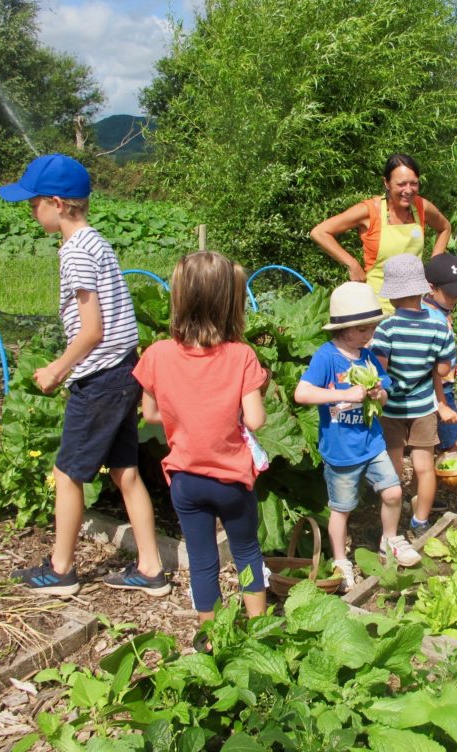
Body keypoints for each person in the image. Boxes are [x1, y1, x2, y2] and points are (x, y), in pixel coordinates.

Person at [0, 154, 169, 597]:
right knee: (125, 472)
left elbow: (91, 329)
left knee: (68, 472)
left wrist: (58, 367)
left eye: (34, 202)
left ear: (57, 203)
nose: (30, 210)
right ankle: (150, 568)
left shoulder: (75, 253)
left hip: (101, 380)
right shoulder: (97, 242)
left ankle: (60, 571)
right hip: (124, 370)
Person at [133, 251, 268, 638]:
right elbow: (255, 419)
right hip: (230, 479)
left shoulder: (157, 354)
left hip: (186, 479)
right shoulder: (241, 356)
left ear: (179, 298)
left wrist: (188, 413)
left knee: (203, 560)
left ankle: (210, 640)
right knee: (246, 552)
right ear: (230, 301)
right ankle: (259, 629)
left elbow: (152, 413)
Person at [295, 282, 418, 585]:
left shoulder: (367, 356)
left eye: (372, 329)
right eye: (364, 330)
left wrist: (378, 394)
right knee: (342, 509)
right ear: (344, 329)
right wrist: (345, 395)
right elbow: (302, 393)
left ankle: (389, 540)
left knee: (393, 492)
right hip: (341, 451)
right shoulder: (327, 357)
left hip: (372, 442)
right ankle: (340, 560)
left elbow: (385, 394)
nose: (369, 335)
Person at [370, 254, 455, 542]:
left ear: (392, 296)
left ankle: (389, 523)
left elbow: (379, 371)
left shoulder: (387, 328)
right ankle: (420, 521)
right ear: (423, 290)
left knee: (392, 467)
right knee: (424, 467)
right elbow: (444, 370)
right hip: (423, 408)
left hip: (392, 408)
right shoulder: (439, 326)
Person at [310, 154, 452, 313]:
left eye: (414, 183)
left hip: (416, 305)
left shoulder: (421, 207)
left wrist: (434, 268)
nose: (408, 190)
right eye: (401, 184)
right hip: (377, 307)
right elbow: (320, 232)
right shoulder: (370, 211)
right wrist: (352, 264)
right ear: (386, 183)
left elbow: (445, 228)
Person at [422, 252, 457, 455]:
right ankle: (449, 472)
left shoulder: (442, 309)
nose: (456, 297)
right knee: (451, 439)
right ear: (431, 287)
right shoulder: (429, 316)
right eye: (451, 292)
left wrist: (452, 364)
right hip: (438, 386)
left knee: (441, 433)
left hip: (445, 380)